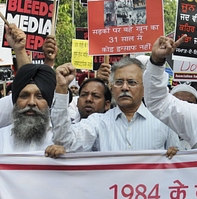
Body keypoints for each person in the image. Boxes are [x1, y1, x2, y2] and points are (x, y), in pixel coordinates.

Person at [50, 58, 180, 152]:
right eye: (118, 82)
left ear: (144, 88)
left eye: (131, 82)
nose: (124, 87)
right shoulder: (98, 123)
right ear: (112, 88)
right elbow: (65, 142)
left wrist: (174, 157)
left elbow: (179, 167)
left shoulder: (164, 122)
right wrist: (61, 88)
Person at [0, 64, 56, 153]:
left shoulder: (63, 140)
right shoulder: (2, 138)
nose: (31, 102)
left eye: (39, 96)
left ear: (49, 101)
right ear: (15, 100)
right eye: (24, 96)